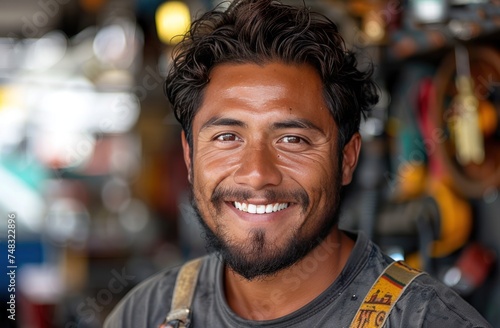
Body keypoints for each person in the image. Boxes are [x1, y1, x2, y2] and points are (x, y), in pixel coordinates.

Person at [104, 0, 492, 327]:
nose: (257, 173)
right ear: (190, 157)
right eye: (227, 137)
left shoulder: (425, 319)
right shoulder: (145, 312)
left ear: (347, 159)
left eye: (293, 139)